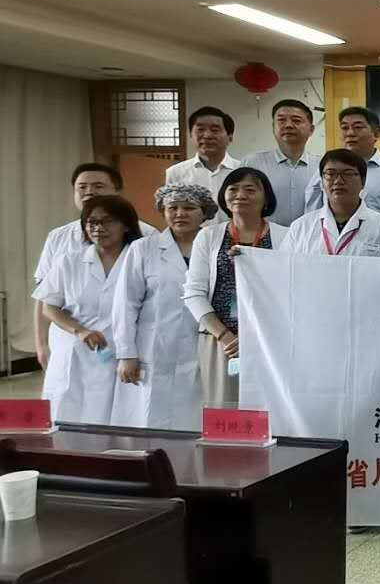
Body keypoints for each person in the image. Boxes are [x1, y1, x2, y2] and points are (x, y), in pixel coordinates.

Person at [111, 184, 218, 431]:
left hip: (203, 344)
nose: (180, 214)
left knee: (195, 418)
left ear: (204, 212)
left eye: (189, 208)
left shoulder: (216, 247)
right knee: (149, 417)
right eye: (172, 208)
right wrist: (126, 354)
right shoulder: (143, 248)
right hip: (152, 348)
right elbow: (125, 304)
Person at [32, 163, 155, 371]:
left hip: (126, 346)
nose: (89, 192)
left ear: (117, 191)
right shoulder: (59, 237)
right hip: (72, 343)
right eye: (82, 187)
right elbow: (46, 297)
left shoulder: (147, 236)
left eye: (98, 186)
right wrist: (41, 344)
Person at [33, 195, 144, 423]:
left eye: (107, 221)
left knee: (119, 418)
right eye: (91, 222)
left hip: (122, 351)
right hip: (75, 350)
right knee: (68, 414)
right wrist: (80, 331)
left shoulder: (141, 260)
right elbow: (49, 306)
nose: (98, 228)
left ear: (126, 225)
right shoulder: (69, 261)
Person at [185, 169, 289, 406]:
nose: (240, 195)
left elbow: (290, 290)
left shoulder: (286, 236)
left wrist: (258, 335)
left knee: (269, 408)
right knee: (225, 409)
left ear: (266, 198)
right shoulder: (208, 236)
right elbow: (194, 292)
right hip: (221, 342)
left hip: (269, 340)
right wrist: (224, 335)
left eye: (250, 189)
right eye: (233, 189)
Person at [285, 149, 380, 257]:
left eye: (348, 174)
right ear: (321, 182)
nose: (338, 181)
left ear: (363, 182)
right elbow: (284, 267)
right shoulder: (300, 228)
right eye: (330, 174)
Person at [302, 106, 380, 225]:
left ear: (375, 134)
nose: (350, 133)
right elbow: (312, 218)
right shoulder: (326, 171)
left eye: (358, 127)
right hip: (332, 236)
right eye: (345, 128)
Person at [241, 98, 319, 226]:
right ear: (273, 128)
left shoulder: (322, 166)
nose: (288, 125)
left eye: (296, 120)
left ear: (311, 129)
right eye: (281, 120)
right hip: (265, 236)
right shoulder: (252, 163)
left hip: (311, 236)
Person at [164, 106, 240, 197]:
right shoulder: (176, 173)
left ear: (230, 137)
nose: (207, 135)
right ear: (190, 136)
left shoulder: (242, 170)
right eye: (200, 129)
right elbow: (171, 205)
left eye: (215, 130)